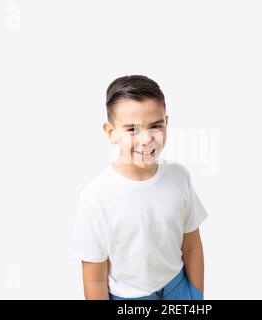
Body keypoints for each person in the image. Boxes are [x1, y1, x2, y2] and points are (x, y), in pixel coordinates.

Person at [69, 75, 209, 300]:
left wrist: (195, 295)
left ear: (166, 123)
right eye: (132, 129)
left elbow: (192, 247)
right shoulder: (96, 198)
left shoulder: (179, 177)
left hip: (178, 289)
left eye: (155, 126)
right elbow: (94, 278)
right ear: (111, 132)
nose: (146, 139)